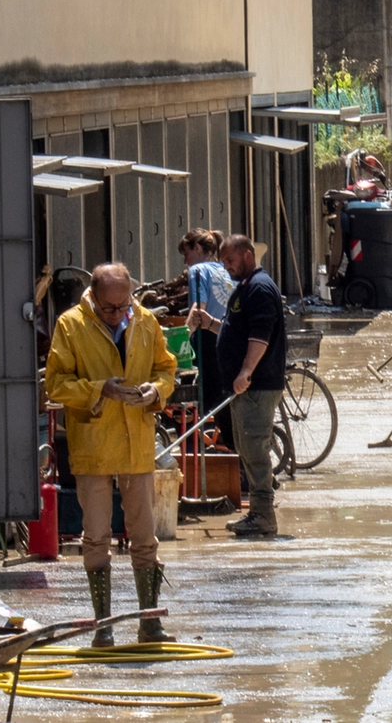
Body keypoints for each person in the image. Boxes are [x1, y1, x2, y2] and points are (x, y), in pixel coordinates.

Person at [45, 263, 178, 647]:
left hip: (136, 442)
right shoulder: (71, 325)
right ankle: (103, 624)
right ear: (93, 296)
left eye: (124, 306)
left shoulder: (146, 322)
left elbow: (167, 368)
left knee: (144, 534)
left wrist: (156, 390)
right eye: (108, 308)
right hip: (94, 443)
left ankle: (149, 621)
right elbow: (56, 383)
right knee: (97, 535)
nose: (117, 314)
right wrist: (100, 388)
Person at [190, 235, 287, 536]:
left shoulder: (259, 288)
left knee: (255, 449)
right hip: (245, 386)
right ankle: (259, 513)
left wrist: (245, 372)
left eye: (230, 261)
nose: (226, 267)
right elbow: (236, 332)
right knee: (246, 447)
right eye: (223, 262)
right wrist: (209, 323)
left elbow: (260, 336)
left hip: (256, 386)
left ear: (247, 255)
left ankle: (263, 515)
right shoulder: (245, 288)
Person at [179, 229, 235, 450]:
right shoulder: (225, 270)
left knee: (200, 398)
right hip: (227, 336)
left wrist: (182, 340)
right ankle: (233, 446)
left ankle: (201, 450)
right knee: (224, 398)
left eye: (186, 253)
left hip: (207, 340)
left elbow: (197, 311)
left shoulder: (198, 270)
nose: (185, 261)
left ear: (198, 249)